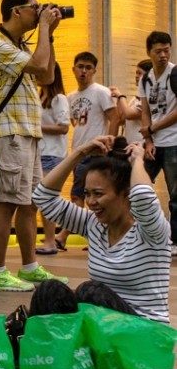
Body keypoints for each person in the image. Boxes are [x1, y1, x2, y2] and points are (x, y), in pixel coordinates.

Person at [0, 0, 67, 292]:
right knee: (6, 203)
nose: (39, 11)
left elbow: (46, 78)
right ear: (16, 11)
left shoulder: (18, 45)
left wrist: (49, 35)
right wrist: (44, 27)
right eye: (34, 8)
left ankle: (29, 267)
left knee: (30, 204)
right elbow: (41, 67)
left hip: (28, 133)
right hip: (9, 133)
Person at [31, 135, 170, 323]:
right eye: (87, 194)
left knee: (89, 292)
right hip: (105, 332)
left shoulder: (151, 230)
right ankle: (47, 352)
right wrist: (80, 153)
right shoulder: (93, 224)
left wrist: (138, 159)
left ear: (126, 194)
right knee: (49, 290)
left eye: (98, 194)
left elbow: (143, 197)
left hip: (146, 336)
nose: (90, 202)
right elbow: (43, 197)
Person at [55, 52, 120, 250]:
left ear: (94, 71)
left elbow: (115, 117)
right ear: (73, 69)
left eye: (88, 68)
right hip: (79, 152)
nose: (84, 71)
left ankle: (63, 235)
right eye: (80, 66)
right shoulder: (70, 97)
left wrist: (109, 146)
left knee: (87, 197)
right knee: (79, 196)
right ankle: (94, 236)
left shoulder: (100, 92)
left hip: (97, 153)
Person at [138, 31, 177, 255]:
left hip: (174, 141)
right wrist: (148, 139)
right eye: (158, 51)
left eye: (166, 49)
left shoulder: (175, 73)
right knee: (139, 187)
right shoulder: (146, 78)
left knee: (175, 196)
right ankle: (143, 235)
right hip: (155, 143)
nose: (163, 55)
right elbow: (145, 111)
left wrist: (153, 128)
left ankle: (175, 240)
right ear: (149, 53)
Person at [35, 63, 70, 255]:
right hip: (41, 152)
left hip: (53, 154)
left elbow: (63, 127)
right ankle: (48, 238)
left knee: (46, 198)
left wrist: (37, 128)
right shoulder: (41, 97)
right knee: (42, 198)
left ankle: (50, 240)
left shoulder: (59, 99)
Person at [113, 59, 153, 144]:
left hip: (141, 146)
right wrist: (118, 101)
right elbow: (122, 119)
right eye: (136, 73)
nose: (136, 76)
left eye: (139, 73)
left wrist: (121, 96)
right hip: (130, 145)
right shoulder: (135, 98)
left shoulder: (148, 98)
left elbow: (129, 114)